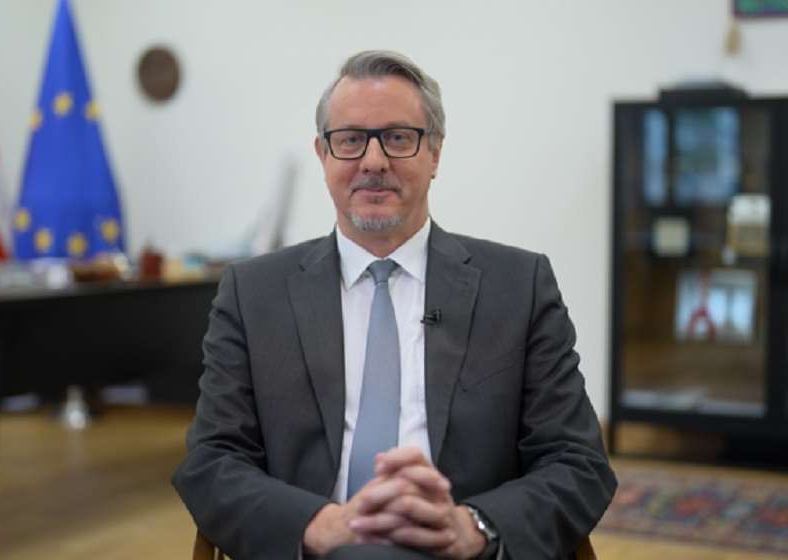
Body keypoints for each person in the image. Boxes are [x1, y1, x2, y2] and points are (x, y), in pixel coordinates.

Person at [173, 50, 616, 560]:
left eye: (399, 138)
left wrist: (473, 527)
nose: (373, 161)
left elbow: (577, 462)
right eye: (350, 139)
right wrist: (318, 525)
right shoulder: (253, 293)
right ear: (323, 154)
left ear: (435, 154)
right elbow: (211, 461)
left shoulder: (518, 287)